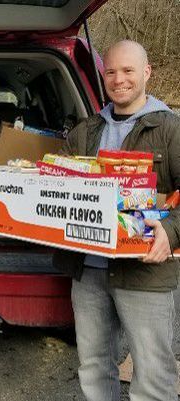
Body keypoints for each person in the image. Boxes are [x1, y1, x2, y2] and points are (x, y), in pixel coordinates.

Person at [54, 40, 180, 401]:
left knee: (153, 375)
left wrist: (169, 234)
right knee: (94, 367)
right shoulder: (85, 131)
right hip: (89, 270)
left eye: (128, 71)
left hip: (144, 272)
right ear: (102, 75)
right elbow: (55, 187)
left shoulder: (170, 129)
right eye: (111, 72)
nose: (119, 79)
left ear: (146, 72)